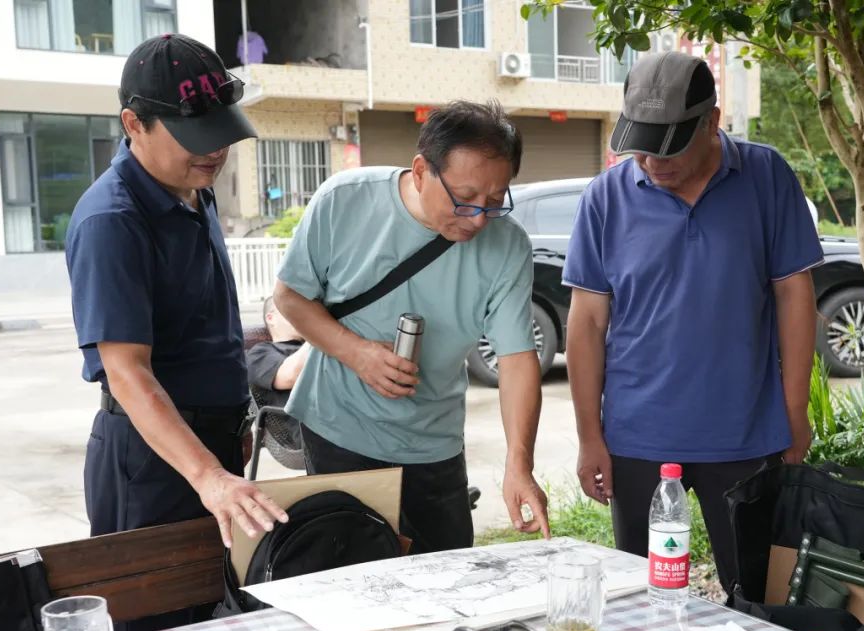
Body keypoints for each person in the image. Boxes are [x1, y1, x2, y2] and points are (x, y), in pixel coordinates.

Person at [564, 52, 823, 596]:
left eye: (671, 144)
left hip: (746, 433)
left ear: (713, 121)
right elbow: (587, 324)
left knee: (756, 593)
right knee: (639, 595)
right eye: (641, 143)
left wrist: (794, 412)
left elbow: (794, 297)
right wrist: (591, 435)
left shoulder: (765, 175)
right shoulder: (604, 199)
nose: (654, 161)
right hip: (638, 437)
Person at [272, 101, 551, 554]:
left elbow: (517, 357)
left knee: (444, 581)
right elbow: (290, 296)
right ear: (421, 171)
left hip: (434, 444)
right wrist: (357, 354)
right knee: (349, 578)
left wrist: (519, 464)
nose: (478, 218)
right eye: (464, 197)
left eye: (495, 201)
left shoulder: (508, 245)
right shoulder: (344, 199)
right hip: (339, 429)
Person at [65, 33, 288, 567]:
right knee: (156, 623)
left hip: (210, 441)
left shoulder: (192, 187)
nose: (214, 150)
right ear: (133, 124)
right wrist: (207, 474)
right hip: (151, 459)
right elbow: (128, 373)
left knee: (216, 608)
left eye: (221, 133)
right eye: (194, 135)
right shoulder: (113, 222)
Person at [246, 297, 308, 449]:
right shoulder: (260, 353)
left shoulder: (311, 347)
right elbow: (290, 377)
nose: (301, 315)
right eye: (292, 308)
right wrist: (320, 332)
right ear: (271, 318)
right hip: (305, 432)